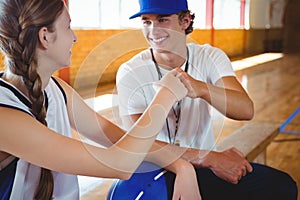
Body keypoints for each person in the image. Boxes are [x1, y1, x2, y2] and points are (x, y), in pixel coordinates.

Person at [0, 0, 196, 199]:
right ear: (45, 37)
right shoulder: (5, 117)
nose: (74, 37)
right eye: (68, 26)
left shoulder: (56, 89)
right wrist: (165, 96)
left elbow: (120, 139)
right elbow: (121, 163)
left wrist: (181, 165)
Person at [115, 0, 298, 199]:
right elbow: (138, 145)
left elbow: (246, 110)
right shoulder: (130, 71)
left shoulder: (209, 56)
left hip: (204, 168)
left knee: (281, 186)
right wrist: (209, 158)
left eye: (162, 20)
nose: (153, 30)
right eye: (146, 21)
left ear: (185, 21)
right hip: (157, 168)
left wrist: (201, 88)